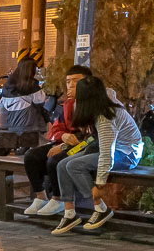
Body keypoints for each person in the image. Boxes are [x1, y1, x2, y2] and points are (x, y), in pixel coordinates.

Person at [52, 76, 145, 234]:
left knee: (74, 165)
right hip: (107, 149)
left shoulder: (105, 115)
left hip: (127, 154)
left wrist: (100, 185)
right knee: (62, 165)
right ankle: (69, 214)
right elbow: (97, 143)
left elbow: (107, 153)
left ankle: (100, 207)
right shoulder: (96, 106)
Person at [23, 65, 92, 216]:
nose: (71, 85)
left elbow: (92, 137)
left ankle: (58, 199)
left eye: (76, 81)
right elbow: (54, 130)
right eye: (68, 82)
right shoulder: (67, 104)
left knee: (55, 160)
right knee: (31, 156)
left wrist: (63, 146)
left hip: (86, 147)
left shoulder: (94, 105)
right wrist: (63, 137)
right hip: (67, 143)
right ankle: (41, 197)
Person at [0, 57, 47, 135]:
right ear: (31, 69)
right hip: (27, 127)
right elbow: (41, 101)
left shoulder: (8, 84)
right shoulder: (32, 84)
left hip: (8, 125)